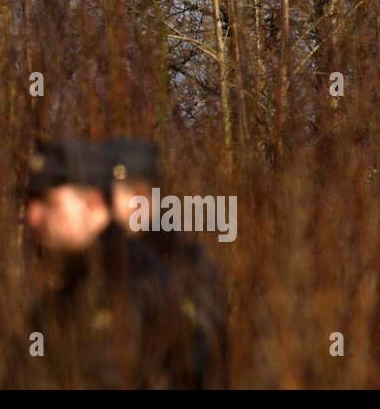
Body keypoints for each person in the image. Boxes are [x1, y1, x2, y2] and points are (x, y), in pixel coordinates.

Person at [19, 138, 195, 388]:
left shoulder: (125, 279)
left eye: (48, 203)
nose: (32, 217)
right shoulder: (74, 280)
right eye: (29, 202)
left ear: (92, 202)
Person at [103, 137, 230, 389]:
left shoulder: (185, 263)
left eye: (108, 197)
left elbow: (202, 355)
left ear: (140, 195)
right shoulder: (108, 257)